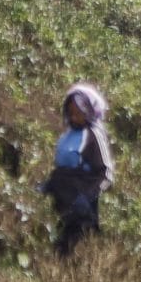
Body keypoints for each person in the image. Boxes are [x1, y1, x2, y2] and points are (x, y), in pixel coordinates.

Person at [41, 82, 115, 256]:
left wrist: (86, 196)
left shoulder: (94, 135)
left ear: (89, 111)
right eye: (71, 112)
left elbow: (106, 174)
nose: (74, 117)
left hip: (81, 206)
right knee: (57, 245)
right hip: (62, 202)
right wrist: (48, 185)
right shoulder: (68, 135)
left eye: (79, 113)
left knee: (75, 246)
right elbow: (62, 168)